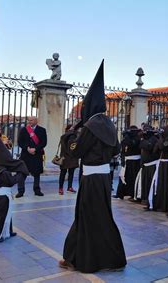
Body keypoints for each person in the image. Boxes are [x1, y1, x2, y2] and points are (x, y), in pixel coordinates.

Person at [60, 60, 126, 273]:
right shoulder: (108, 124)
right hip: (104, 179)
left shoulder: (90, 126)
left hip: (90, 179)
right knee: (102, 216)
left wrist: (70, 136)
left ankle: (84, 259)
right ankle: (111, 258)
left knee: (86, 216)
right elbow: (116, 149)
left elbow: (76, 151)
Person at [150, 124, 168, 212]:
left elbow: (165, 147)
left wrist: (161, 138)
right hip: (162, 164)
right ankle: (160, 203)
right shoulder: (164, 139)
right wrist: (160, 138)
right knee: (161, 184)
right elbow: (156, 150)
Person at [16, 116, 47, 197]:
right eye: (29, 120)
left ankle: (37, 190)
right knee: (22, 173)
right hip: (25, 155)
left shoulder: (42, 130)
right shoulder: (24, 130)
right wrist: (27, 148)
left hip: (36, 155)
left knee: (37, 174)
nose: (30, 122)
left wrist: (35, 149)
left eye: (31, 120)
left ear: (36, 121)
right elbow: (20, 142)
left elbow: (44, 142)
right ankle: (20, 191)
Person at [115, 126, 141, 200]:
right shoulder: (126, 139)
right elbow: (123, 150)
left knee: (133, 178)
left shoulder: (137, 139)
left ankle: (132, 194)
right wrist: (123, 160)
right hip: (127, 161)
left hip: (135, 162)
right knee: (123, 177)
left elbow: (132, 144)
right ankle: (120, 193)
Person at [58, 125, 79, 195]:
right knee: (70, 173)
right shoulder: (74, 136)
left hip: (64, 157)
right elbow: (73, 147)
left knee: (63, 173)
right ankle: (69, 187)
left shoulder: (63, 136)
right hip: (72, 157)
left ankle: (61, 188)